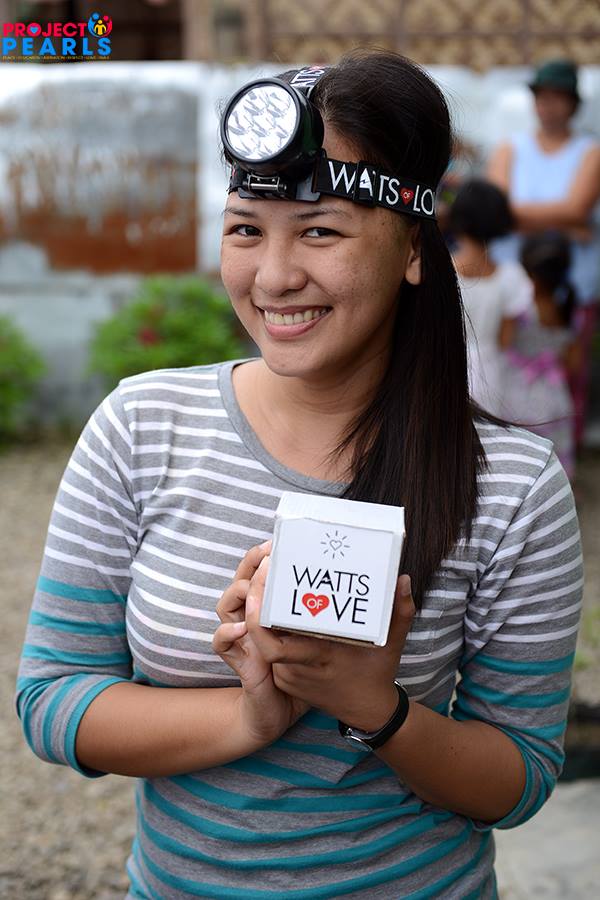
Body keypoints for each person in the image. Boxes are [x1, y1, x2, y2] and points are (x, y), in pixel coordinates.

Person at [16, 50, 583, 899]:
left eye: (320, 231)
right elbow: (54, 700)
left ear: (413, 248)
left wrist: (376, 707)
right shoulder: (141, 426)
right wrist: (251, 714)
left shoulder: (513, 486)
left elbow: (520, 776)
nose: (275, 276)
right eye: (247, 229)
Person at [487, 58, 600, 449]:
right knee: (508, 371)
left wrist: (521, 217)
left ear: (573, 103)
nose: (547, 105)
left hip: (569, 287)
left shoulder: (591, 152)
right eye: (541, 96)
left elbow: (578, 209)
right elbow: (497, 210)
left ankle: (564, 458)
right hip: (516, 287)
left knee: (566, 373)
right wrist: (566, 223)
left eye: (557, 97)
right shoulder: (510, 148)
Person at [448, 178, 533, 415]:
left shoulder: (438, 271)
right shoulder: (511, 278)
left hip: (444, 367)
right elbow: (506, 340)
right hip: (491, 375)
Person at [503, 233, 580, 479]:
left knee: (520, 454)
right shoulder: (568, 308)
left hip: (518, 391)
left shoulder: (519, 308)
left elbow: (503, 343)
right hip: (555, 394)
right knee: (554, 455)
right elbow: (574, 363)